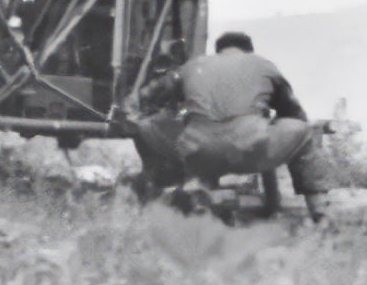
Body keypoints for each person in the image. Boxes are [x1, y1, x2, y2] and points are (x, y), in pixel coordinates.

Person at [131, 31, 328, 221]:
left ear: (219, 51)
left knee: (145, 125)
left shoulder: (193, 66)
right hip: (252, 151)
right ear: (248, 51)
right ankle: (319, 211)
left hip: (198, 153)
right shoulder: (264, 65)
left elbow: (150, 95)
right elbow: (293, 112)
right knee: (304, 130)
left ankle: (155, 189)